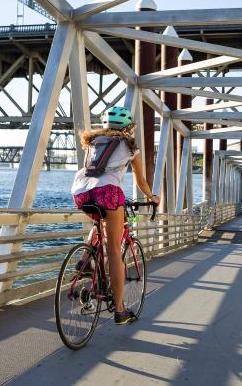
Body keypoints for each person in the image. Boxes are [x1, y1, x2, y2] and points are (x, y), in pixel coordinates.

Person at [70, 106, 159, 325]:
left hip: (80, 191)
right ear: (129, 127)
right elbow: (140, 181)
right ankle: (119, 310)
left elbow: (94, 173)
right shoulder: (129, 145)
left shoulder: (93, 142)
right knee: (113, 251)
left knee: (101, 221)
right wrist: (152, 197)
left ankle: (84, 260)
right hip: (108, 193)